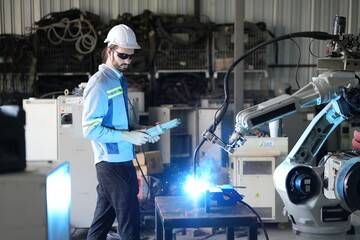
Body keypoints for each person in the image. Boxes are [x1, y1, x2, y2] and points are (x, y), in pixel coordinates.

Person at [82, 24, 160, 240]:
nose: (127, 61)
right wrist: (129, 136)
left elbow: (118, 124)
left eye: (130, 56)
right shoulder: (99, 83)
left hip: (123, 160)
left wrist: (142, 131)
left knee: (102, 221)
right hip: (110, 163)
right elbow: (90, 129)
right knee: (130, 222)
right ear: (109, 51)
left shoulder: (118, 80)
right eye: (123, 55)